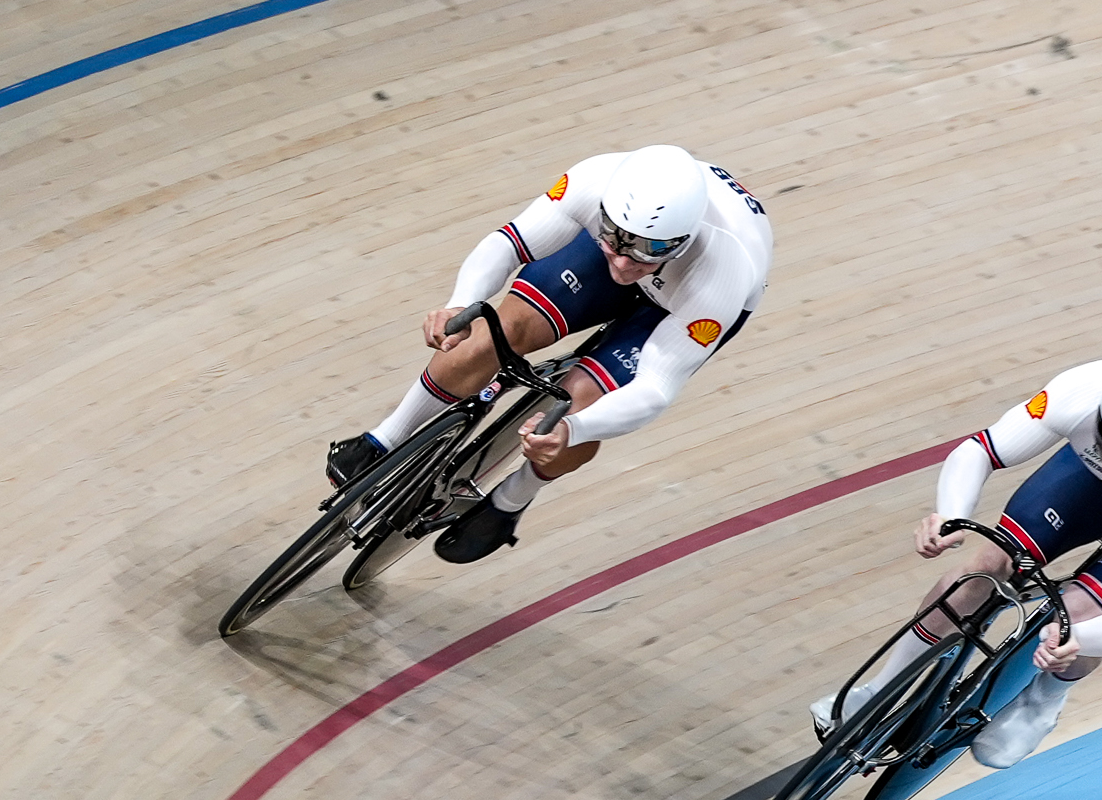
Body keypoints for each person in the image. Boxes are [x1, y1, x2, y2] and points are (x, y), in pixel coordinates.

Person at [812, 353, 1102, 768]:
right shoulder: (1080, 393)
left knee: (1080, 616)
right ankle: (879, 693)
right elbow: (981, 450)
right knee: (983, 568)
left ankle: (1043, 700)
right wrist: (951, 516)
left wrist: (1080, 638)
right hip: (1090, 470)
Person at [326, 145, 773, 562]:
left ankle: (511, 500)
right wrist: (460, 304)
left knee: (579, 406)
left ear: (684, 238)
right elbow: (507, 243)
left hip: (682, 300)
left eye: (649, 250)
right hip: (644, 259)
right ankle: (385, 438)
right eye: (616, 239)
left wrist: (577, 428)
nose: (623, 262)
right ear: (606, 212)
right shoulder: (594, 180)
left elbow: (656, 387)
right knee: (495, 332)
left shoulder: (723, 273)